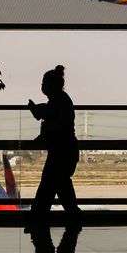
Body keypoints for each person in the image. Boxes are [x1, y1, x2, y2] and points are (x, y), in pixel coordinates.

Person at [28, 65, 80, 213]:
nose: (42, 86)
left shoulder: (57, 101)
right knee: (61, 189)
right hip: (65, 152)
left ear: (51, 85)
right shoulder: (62, 100)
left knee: (49, 189)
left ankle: (38, 223)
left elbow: (47, 115)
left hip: (61, 153)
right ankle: (72, 225)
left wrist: (35, 109)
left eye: (44, 83)